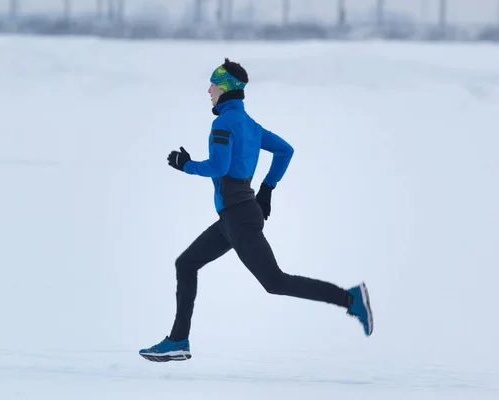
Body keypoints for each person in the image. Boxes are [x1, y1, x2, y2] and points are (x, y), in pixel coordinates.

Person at [139, 58, 373, 363]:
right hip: (234, 217)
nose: (208, 89)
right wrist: (267, 189)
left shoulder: (223, 123)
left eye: (213, 84)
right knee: (186, 264)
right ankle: (178, 340)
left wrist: (187, 166)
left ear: (224, 89)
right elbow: (285, 150)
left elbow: (219, 166)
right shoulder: (250, 125)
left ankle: (351, 298)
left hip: (238, 217)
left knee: (275, 282)